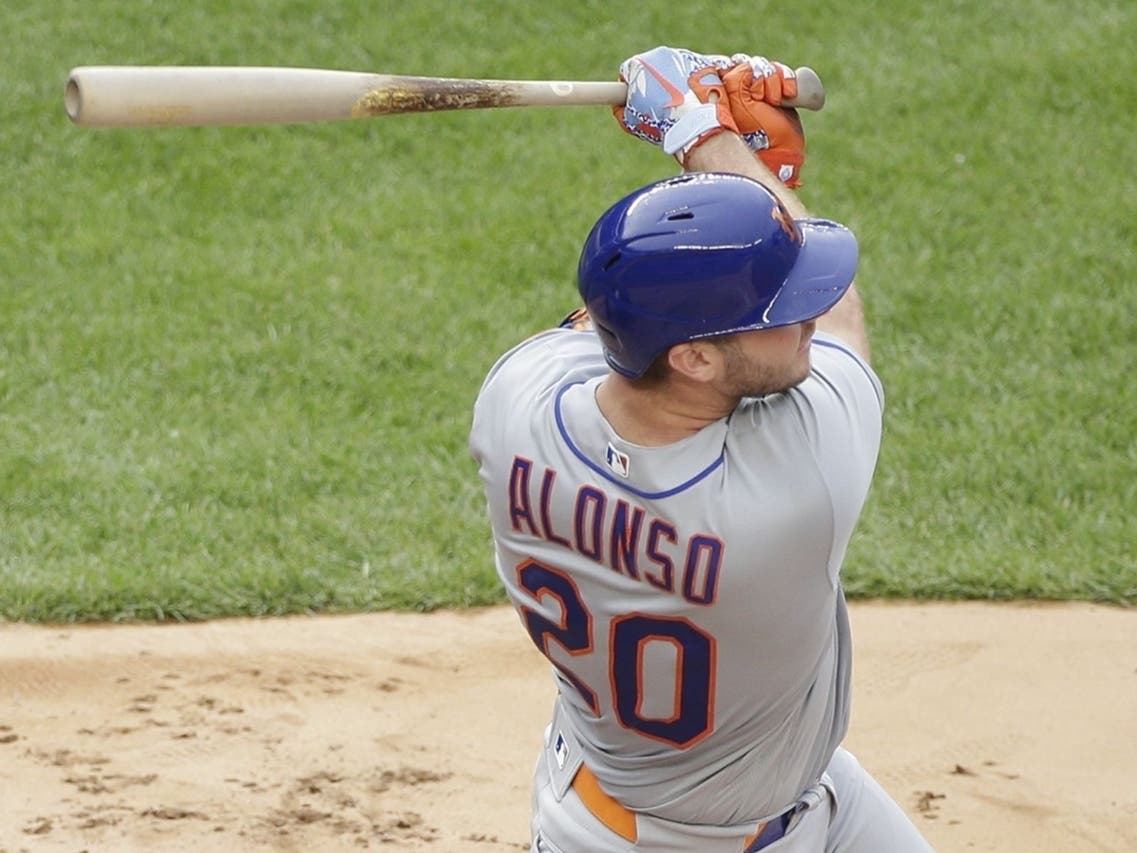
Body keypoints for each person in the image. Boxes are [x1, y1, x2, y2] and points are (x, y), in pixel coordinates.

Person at [469, 45, 934, 852]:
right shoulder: (793, 487)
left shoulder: (518, 403)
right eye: (779, 311)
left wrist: (731, 196)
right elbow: (842, 318)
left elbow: (622, 304)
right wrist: (709, 140)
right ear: (691, 359)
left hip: (653, 791)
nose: (805, 316)